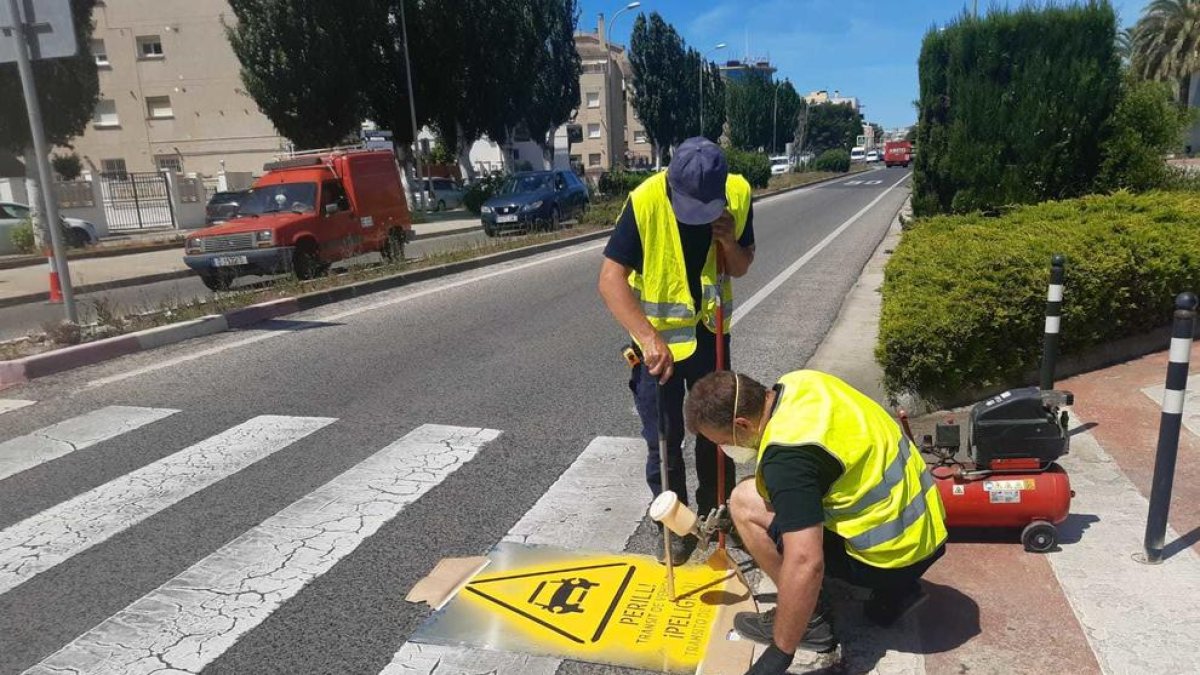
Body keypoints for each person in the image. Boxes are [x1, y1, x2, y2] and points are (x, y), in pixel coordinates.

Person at [684, 370, 948, 674]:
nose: (723, 450)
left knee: (744, 500)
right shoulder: (802, 383)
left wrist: (779, 653)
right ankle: (896, 592)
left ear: (742, 425)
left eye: (721, 442)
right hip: (928, 531)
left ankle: (812, 623)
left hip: (887, 558)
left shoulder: (786, 458)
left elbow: (807, 561)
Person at [598, 137, 756, 564]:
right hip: (657, 345)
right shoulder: (645, 201)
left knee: (717, 434)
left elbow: (741, 266)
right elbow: (610, 280)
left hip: (710, 335)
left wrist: (727, 241)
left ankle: (718, 513)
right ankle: (674, 525)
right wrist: (649, 339)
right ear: (671, 182)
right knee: (664, 440)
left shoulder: (738, 194)